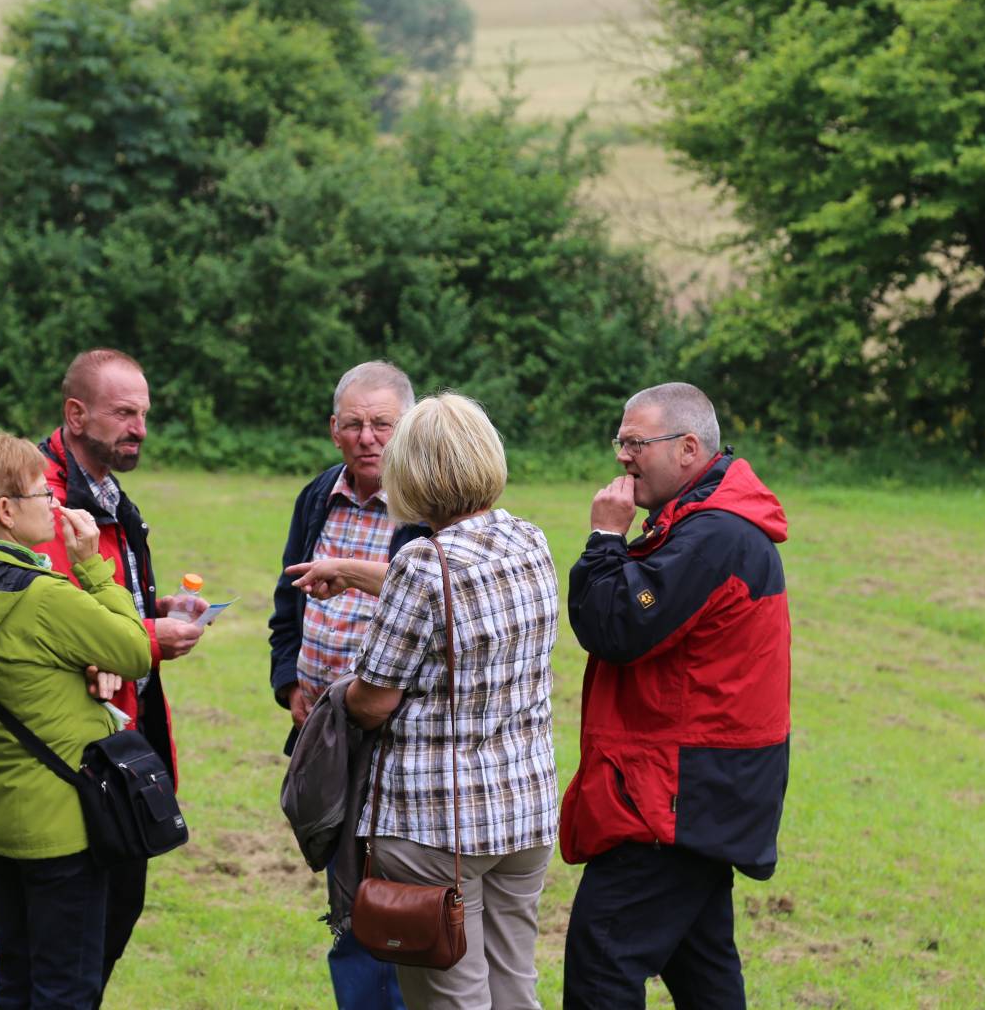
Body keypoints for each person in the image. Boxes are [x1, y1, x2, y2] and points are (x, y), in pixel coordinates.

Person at [559, 382, 791, 1010]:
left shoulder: (714, 536)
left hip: (675, 796)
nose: (622, 457)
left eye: (636, 443)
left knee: (602, 958)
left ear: (689, 448)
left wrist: (606, 541)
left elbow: (614, 628)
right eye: (621, 441)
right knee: (702, 966)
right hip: (704, 788)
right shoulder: (704, 526)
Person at [0, 430, 153, 1009]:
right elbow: (135, 650)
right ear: (5, 511)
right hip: (61, 824)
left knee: (16, 980)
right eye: (41, 494)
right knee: (65, 991)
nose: (54, 504)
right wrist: (94, 567)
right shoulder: (42, 598)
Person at [346, 392, 559, 1010]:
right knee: (516, 986)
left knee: (452, 999)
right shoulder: (529, 539)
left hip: (439, 824)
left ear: (408, 473)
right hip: (524, 811)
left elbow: (373, 701)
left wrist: (344, 697)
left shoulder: (421, 561)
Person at [35, 348, 208, 999]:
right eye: (124, 413)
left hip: (122, 737)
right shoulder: (43, 501)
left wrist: (152, 606)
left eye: (144, 414)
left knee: (109, 920)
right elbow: (59, 620)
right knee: (73, 951)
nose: (139, 426)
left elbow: (99, 590)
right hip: (77, 754)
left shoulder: (102, 489)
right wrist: (149, 639)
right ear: (76, 414)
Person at [268, 361, 428, 1010]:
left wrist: (353, 571)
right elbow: (288, 602)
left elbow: (439, 592)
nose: (368, 438)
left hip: (401, 736)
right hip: (325, 733)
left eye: (382, 424)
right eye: (354, 424)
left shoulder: (429, 507)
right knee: (350, 896)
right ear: (334, 430)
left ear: (409, 429)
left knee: (396, 900)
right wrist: (289, 685)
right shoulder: (316, 497)